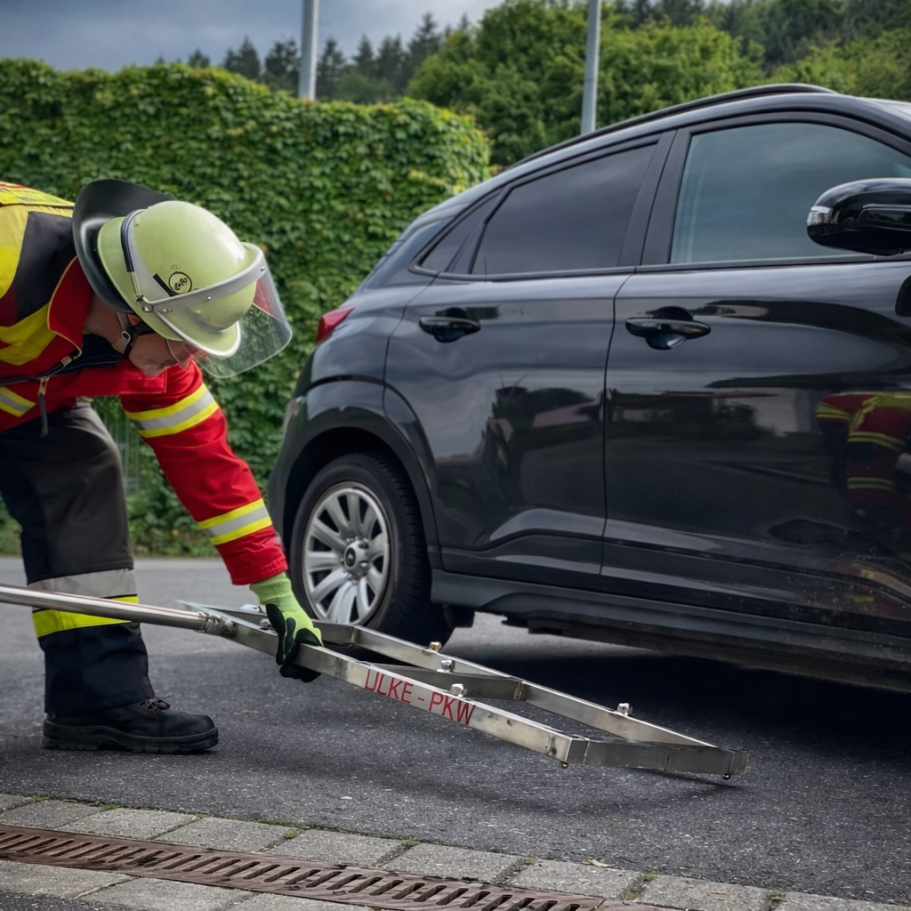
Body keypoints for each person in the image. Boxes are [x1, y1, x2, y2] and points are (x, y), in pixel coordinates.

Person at [0, 178, 323, 753]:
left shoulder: (158, 355)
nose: (188, 357)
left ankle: (95, 700)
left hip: (24, 403)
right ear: (131, 311)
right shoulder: (8, 257)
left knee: (85, 468)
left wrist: (276, 588)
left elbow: (208, 465)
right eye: (184, 339)